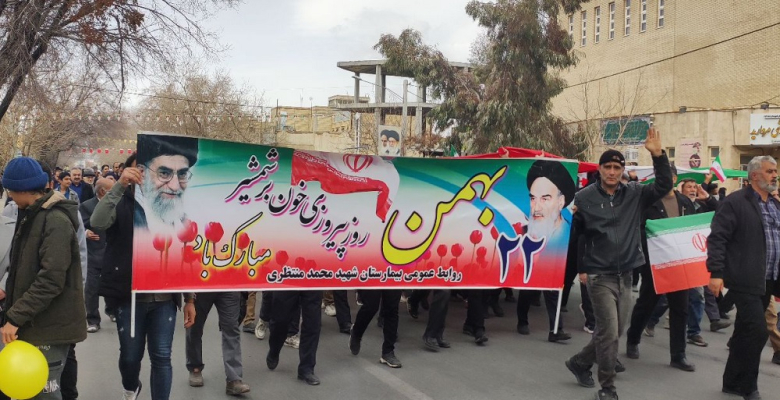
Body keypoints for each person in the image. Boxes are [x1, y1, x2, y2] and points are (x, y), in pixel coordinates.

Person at [565, 128, 671, 400]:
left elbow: (663, 186)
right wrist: (569, 220)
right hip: (600, 276)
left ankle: (580, 361)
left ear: (623, 170)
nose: (612, 172)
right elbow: (576, 236)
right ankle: (607, 388)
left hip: (626, 275)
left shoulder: (634, 193)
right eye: (607, 167)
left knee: (612, 331)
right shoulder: (584, 198)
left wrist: (658, 155)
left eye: (617, 167)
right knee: (610, 333)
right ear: (599, 169)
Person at [91, 154, 196, 400]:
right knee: (130, 357)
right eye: (137, 168)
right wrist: (119, 185)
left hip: (164, 300)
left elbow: (185, 255)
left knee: (162, 357)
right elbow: (97, 222)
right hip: (129, 297)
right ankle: (131, 386)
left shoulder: (174, 203)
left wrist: (190, 298)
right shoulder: (121, 200)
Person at [0, 157, 87, 400]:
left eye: (10, 191)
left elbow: (51, 279)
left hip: (50, 327)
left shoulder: (54, 220)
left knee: (44, 394)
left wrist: (15, 317)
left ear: (20, 189)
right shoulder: (32, 215)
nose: (9, 197)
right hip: (34, 322)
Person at [708, 155, 780, 400]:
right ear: (755, 175)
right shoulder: (736, 202)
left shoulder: (774, 204)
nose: (774, 175)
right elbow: (718, 238)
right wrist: (716, 272)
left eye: (775, 171)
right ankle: (749, 387)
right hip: (744, 277)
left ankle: (731, 381)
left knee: (743, 330)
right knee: (757, 331)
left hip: (768, 279)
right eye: (770, 171)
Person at [625, 165, 698, 372]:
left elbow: (692, 228)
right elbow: (639, 228)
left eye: (666, 176)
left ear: (674, 179)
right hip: (655, 262)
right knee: (646, 304)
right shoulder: (648, 201)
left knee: (680, 309)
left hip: (679, 263)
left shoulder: (685, 202)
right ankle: (633, 339)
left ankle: (678, 355)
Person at [516, 159, 576, 342]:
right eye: (533, 198)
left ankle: (556, 330)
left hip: (554, 264)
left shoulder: (567, 230)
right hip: (532, 266)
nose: (537, 206)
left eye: (545, 198)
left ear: (561, 201)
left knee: (553, 293)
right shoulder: (524, 230)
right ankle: (522, 321)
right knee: (526, 291)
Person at [186, 290, 251, 395]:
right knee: (194, 328)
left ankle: (234, 379)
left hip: (229, 286)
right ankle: (195, 367)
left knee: (231, 329)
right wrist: (189, 297)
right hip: (201, 286)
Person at [135, 136, 198, 234]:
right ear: (142, 173)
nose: (175, 187)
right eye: (164, 173)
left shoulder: (186, 220)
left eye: (182, 174)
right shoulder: (126, 211)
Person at [266, 290, 323, 385]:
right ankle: (274, 349)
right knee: (280, 320)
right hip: (287, 283)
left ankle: (307, 368)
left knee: (313, 323)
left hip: (312, 283)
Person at [80, 178, 114, 333]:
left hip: (112, 252)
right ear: (102, 191)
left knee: (112, 284)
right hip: (93, 252)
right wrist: (86, 232)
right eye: (112, 190)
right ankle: (92, 319)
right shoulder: (86, 206)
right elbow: (79, 225)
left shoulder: (117, 204)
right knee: (91, 288)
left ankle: (112, 310)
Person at [350, 290, 404, 367]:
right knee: (371, 306)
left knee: (392, 309)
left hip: (392, 282)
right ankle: (357, 332)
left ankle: (388, 351)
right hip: (372, 282)